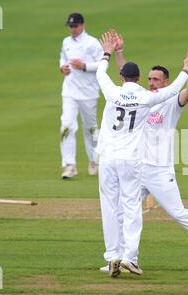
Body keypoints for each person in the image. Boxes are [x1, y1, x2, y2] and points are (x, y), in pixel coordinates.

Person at [99, 30, 188, 273]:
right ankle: (121, 260)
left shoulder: (170, 100)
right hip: (135, 166)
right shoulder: (142, 97)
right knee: (122, 212)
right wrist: (119, 52)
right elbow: (126, 78)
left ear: (166, 82)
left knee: (178, 213)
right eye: (149, 79)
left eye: (156, 80)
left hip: (159, 170)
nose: (151, 83)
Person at [59, 12, 103, 179]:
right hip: (69, 91)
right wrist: (62, 68)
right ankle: (69, 165)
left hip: (88, 92)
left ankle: (95, 160)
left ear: (82, 25)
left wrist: (84, 66)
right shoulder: (66, 42)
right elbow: (62, 58)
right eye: (70, 26)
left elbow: (102, 64)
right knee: (67, 126)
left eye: (75, 26)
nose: (73, 29)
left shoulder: (92, 43)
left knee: (90, 128)